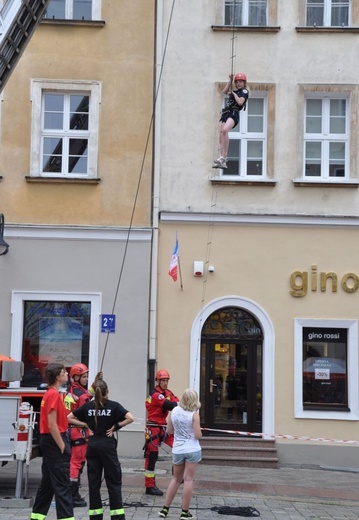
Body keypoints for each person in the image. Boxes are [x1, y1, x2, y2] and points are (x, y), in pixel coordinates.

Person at [68, 379, 134, 520]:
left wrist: (86, 425)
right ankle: (117, 517)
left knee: (94, 483)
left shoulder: (87, 407)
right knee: (113, 482)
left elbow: (69, 417)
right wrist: (116, 426)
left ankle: (95, 516)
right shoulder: (113, 406)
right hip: (107, 446)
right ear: (107, 391)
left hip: (92, 446)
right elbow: (130, 418)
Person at [30, 363, 80, 520]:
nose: (67, 375)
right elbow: (52, 425)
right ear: (58, 376)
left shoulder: (50, 393)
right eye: (65, 372)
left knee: (48, 485)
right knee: (63, 485)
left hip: (49, 441)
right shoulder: (53, 395)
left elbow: (57, 421)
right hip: (54, 441)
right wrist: (62, 446)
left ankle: (37, 516)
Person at [158, 389, 202, 520]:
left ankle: (165, 509)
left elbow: (170, 430)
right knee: (188, 479)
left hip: (178, 449)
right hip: (192, 449)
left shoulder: (174, 411)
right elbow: (197, 435)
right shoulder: (194, 415)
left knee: (175, 479)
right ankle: (184, 512)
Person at [64, 362, 95, 507]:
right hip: (78, 432)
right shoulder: (81, 395)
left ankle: (72, 491)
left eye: (87, 376)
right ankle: (73, 495)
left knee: (75, 462)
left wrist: (94, 386)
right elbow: (86, 410)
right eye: (84, 376)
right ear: (76, 377)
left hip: (70, 430)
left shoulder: (72, 390)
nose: (86, 378)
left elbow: (87, 394)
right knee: (77, 463)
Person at [144, 369, 179, 496]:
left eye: (166, 380)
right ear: (158, 381)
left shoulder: (168, 392)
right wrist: (179, 404)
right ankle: (149, 486)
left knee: (177, 446)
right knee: (152, 457)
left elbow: (178, 402)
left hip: (163, 427)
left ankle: (177, 474)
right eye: (163, 380)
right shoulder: (155, 394)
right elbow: (170, 405)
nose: (165, 383)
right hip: (153, 427)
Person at [213, 72, 249, 170]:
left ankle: (224, 157)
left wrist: (233, 93)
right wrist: (230, 80)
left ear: (244, 83)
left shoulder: (244, 92)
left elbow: (240, 102)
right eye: (237, 82)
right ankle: (221, 158)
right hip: (227, 113)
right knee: (221, 134)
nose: (238, 84)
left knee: (225, 130)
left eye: (241, 82)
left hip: (234, 113)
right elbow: (224, 92)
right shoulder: (235, 91)